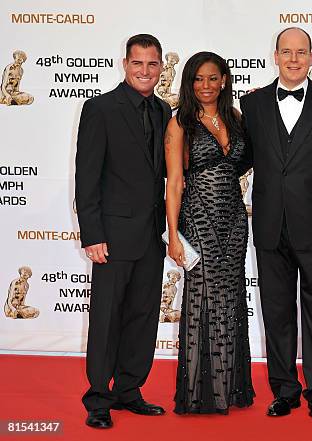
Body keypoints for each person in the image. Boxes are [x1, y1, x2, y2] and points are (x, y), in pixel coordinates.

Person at [239, 27, 312, 419]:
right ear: (274, 55)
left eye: (301, 53)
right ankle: (284, 389)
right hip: (270, 226)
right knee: (276, 311)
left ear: (311, 57)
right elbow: (242, 160)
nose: (293, 59)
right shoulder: (251, 106)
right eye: (286, 52)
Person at [75, 34, 171, 429]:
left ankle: (129, 390)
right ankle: (98, 398)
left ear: (161, 67)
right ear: (124, 64)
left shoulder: (166, 110)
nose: (145, 71)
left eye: (152, 64)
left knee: (143, 316)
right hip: (112, 238)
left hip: (152, 236)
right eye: (138, 63)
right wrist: (92, 234)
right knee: (106, 318)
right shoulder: (100, 108)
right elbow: (87, 178)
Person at [165, 51, 254, 415]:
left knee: (229, 297)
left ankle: (229, 389)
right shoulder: (180, 123)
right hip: (198, 217)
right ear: (189, 83)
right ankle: (199, 391)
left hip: (234, 218)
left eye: (212, 78)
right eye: (198, 79)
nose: (206, 86)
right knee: (201, 296)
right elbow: (174, 183)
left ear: (224, 80)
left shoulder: (235, 119)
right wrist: (173, 234)